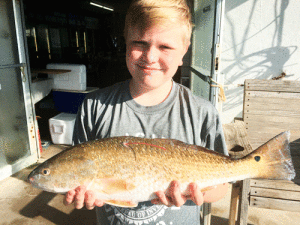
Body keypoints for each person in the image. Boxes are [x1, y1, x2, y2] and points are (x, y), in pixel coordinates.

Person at [64, 0, 229, 224]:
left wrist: (197, 193)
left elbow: (222, 188)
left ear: (184, 52)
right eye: (139, 43)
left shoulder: (202, 112)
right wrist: (82, 194)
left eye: (165, 47)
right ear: (125, 44)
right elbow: (79, 172)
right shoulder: (94, 106)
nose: (150, 56)